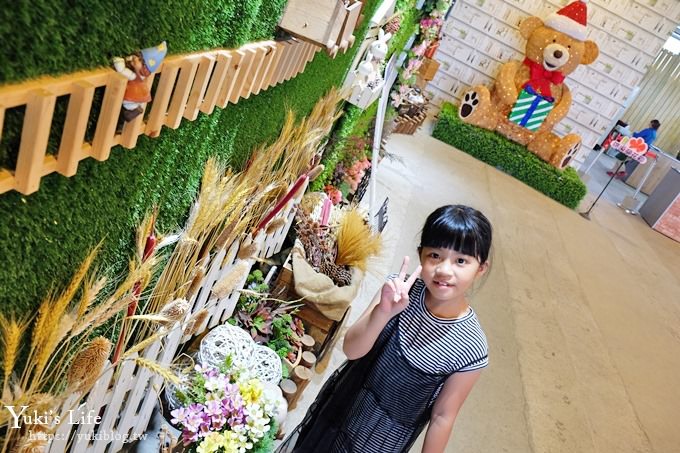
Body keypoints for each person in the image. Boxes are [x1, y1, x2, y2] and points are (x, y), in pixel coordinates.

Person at [277, 205, 492, 453]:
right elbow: (352, 349)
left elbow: (443, 417)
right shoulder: (398, 289)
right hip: (342, 409)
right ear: (421, 254)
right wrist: (383, 312)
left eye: (461, 261)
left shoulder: (472, 346)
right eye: (435, 255)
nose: (444, 269)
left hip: (382, 443)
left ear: (480, 268)